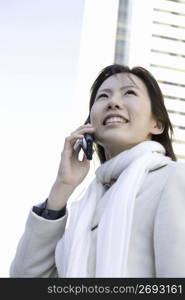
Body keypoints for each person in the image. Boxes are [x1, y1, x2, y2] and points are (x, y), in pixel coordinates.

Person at [10, 64, 185, 278]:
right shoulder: (85, 208)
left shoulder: (172, 179)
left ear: (157, 124)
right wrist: (63, 186)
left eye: (129, 92)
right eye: (103, 96)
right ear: (90, 126)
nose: (113, 102)